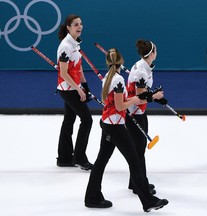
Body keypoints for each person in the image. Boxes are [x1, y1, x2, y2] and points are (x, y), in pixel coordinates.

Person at [84, 48, 168, 212]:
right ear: (121, 62)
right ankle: (148, 201)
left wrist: (136, 98)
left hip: (107, 123)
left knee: (101, 161)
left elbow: (118, 101)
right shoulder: (118, 79)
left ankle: (92, 196)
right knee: (134, 161)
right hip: (115, 126)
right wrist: (135, 99)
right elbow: (121, 105)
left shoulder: (108, 78)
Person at [126, 39, 167, 194]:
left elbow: (144, 93)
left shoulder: (145, 66)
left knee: (138, 149)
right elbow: (139, 96)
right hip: (134, 113)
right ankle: (140, 184)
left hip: (139, 111)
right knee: (138, 150)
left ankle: (135, 181)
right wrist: (154, 96)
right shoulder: (141, 71)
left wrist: (154, 96)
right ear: (152, 53)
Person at [56, 14, 93, 171]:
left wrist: (85, 85)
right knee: (87, 120)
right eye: (76, 24)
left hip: (74, 87)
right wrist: (78, 89)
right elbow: (64, 74)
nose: (80, 26)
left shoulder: (75, 44)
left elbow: (78, 67)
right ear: (68, 27)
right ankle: (79, 157)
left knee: (69, 120)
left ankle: (64, 157)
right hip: (68, 89)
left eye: (81, 23)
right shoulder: (66, 46)